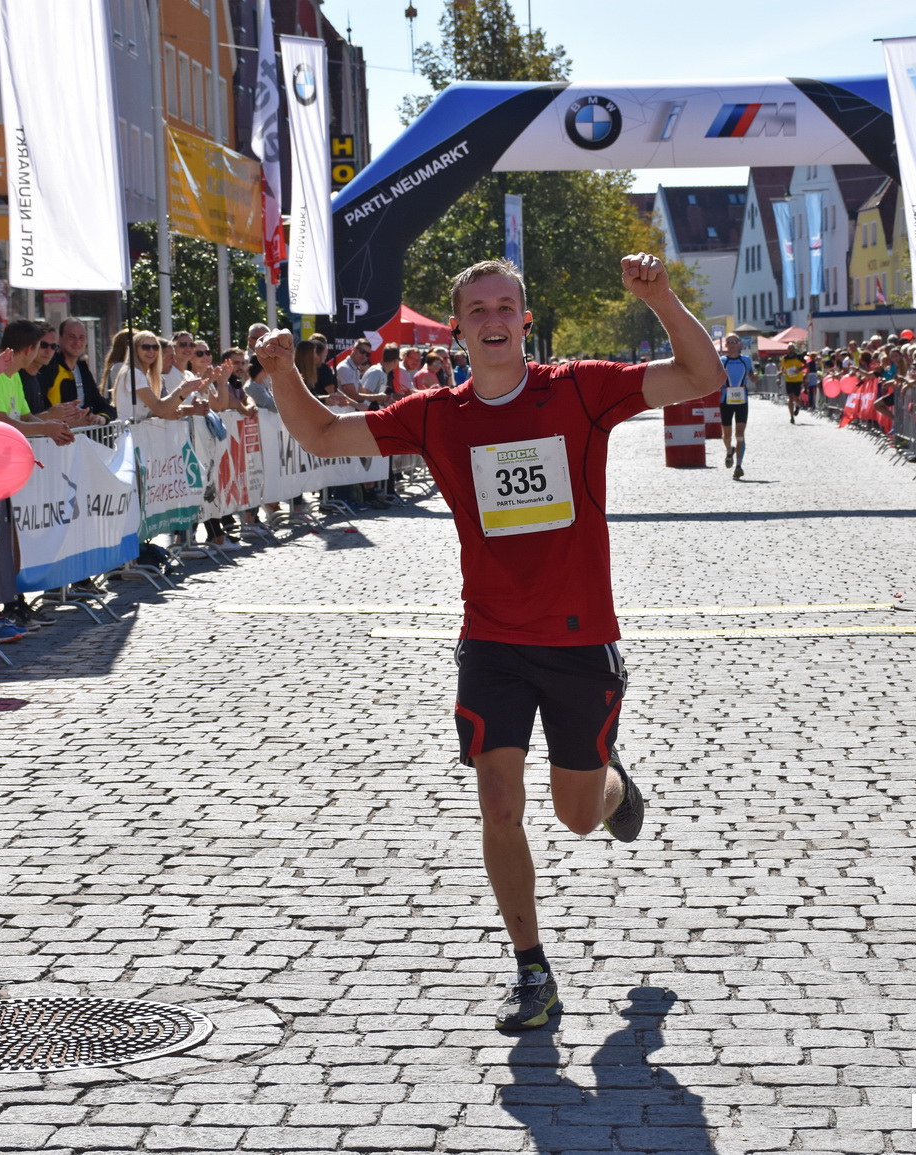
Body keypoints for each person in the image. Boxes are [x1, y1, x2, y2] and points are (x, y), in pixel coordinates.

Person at [253, 253, 724, 1031]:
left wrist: (663, 299)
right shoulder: (438, 413)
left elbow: (700, 375)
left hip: (579, 640)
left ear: (525, 322)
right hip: (493, 640)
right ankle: (532, 969)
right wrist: (280, 373)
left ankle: (610, 786)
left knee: (577, 814)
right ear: (459, 329)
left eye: (506, 306)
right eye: (478, 310)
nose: (494, 319)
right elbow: (324, 431)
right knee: (499, 802)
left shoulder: (578, 388)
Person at [0, 320, 77, 444]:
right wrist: (45, 428)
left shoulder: (15, 374)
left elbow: (27, 417)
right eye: (40, 346)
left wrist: (56, 430)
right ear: (29, 349)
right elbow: (0, 421)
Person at [34, 318, 115, 420]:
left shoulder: (82, 367)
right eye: (71, 337)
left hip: (83, 433)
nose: (77, 342)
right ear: (60, 339)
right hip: (56, 432)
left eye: (81, 337)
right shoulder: (48, 365)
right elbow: (39, 409)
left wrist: (102, 418)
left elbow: (102, 404)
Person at [718, 332, 754, 477]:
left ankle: (738, 465)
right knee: (726, 435)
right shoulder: (721, 360)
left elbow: (753, 375)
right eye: (729, 342)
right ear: (726, 345)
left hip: (742, 401)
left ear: (739, 344)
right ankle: (729, 451)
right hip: (725, 401)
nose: (732, 345)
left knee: (740, 434)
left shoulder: (746, 360)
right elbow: (715, 378)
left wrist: (754, 377)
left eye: (735, 342)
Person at [780, 343, 805, 422]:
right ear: (787, 350)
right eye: (789, 348)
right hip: (789, 380)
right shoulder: (784, 358)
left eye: (792, 348)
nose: (790, 350)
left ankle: (797, 406)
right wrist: (781, 372)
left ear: (794, 349)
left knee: (796, 398)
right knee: (790, 398)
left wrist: (799, 370)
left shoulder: (799, 357)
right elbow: (783, 368)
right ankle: (791, 417)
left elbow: (806, 365)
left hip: (798, 379)